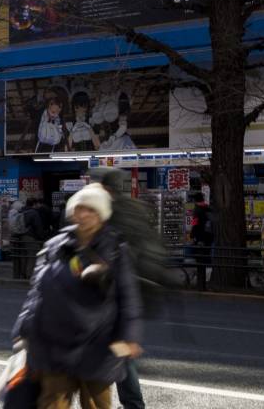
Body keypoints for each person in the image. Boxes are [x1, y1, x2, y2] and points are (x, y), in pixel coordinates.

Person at [14, 183, 143, 409]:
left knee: (95, 404)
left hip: (97, 345)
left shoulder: (114, 248)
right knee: (51, 404)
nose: (83, 214)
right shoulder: (54, 246)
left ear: (102, 215)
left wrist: (128, 336)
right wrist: (23, 328)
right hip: (53, 345)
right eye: (79, 208)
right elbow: (36, 291)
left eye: (91, 210)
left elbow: (128, 296)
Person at [89, 168, 167, 409]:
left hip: (112, 288)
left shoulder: (108, 212)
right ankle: (132, 403)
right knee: (119, 344)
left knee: (107, 346)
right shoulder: (137, 208)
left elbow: (103, 251)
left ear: (105, 187)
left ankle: (125, 402)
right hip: (139, 285)